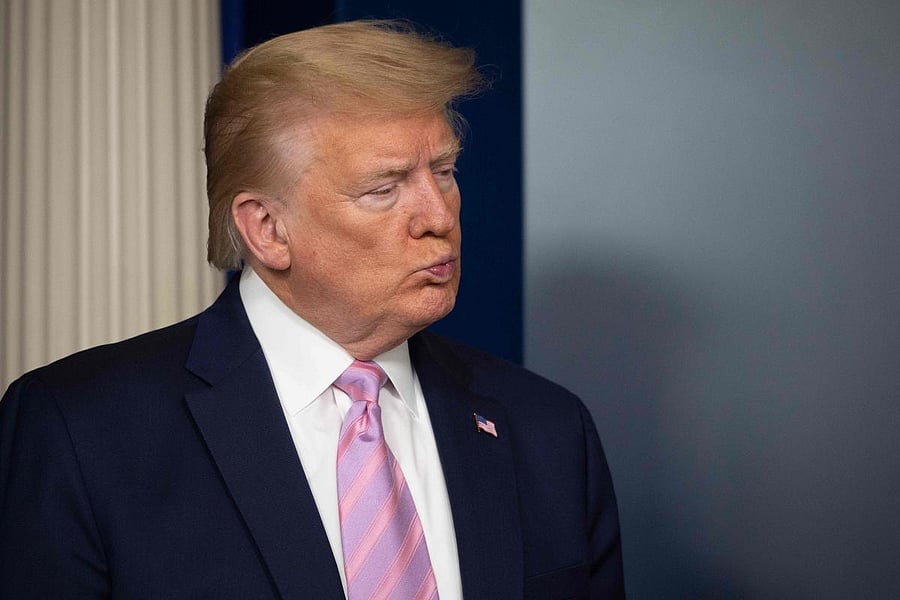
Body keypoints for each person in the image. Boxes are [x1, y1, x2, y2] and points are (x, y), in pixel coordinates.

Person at [0, 20, 624, 599]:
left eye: (445, 171)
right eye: (384, 189)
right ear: (267, 228)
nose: (439, 217)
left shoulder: (548, 429)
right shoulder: (80, 431)